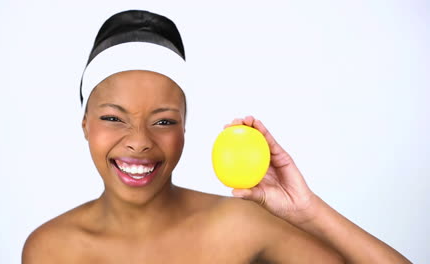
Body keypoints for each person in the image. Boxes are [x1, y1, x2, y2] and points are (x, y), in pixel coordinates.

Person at [22, 10, 411, 263]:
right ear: (85, 123)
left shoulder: (240, 226)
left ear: (185, 129)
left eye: (163, 121)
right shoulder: (50, 249)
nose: (139, 141)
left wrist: (307, 211)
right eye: (113, 118)